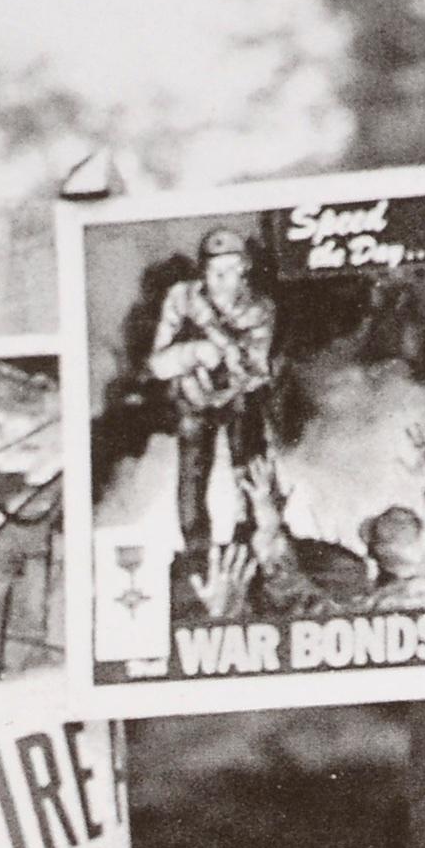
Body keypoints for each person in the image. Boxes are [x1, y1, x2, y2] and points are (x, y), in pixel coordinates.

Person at [146, 224, 282, 588]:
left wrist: (229, 368)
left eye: (229, 269)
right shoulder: (182, 298)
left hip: (240, 397)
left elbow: (256, 369)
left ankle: (259, 550)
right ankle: (196, 557)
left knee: (252, 470)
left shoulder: (259, 309)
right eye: (211, 270)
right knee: (192, 477)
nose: (219, 279)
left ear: (244, 269)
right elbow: (157, 363)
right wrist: (194, 354)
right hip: (192, 397)